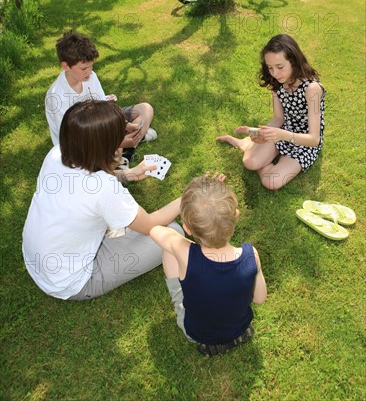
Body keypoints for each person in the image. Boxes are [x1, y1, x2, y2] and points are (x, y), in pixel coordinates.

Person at [22, 100, 182, 301]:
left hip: (39, 263)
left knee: (117, 219)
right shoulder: (104, 188)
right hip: (72, 282)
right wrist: (186, 198)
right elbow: (149, 225)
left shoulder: (57, 154)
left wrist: (128, 174)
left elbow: (83, 183)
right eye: (119, 138)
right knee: (172, 232)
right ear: (110, 148)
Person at [150, 174, 267, 357]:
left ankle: (180, 302)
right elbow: (259, 298)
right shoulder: (251, 255)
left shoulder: (185, 252)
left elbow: (155, 230)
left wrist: (180, 237)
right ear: (236, 216)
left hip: (197, 334)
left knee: (169, 250)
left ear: (188, 229)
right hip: (239, 327)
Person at [216, 34, 326, 190]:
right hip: (282, 132)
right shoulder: (278, 83)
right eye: (270, 68)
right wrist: (259, 133)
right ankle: (246, 143)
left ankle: (248, 146)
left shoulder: (312, 89)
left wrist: (281, 135)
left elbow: (314, 139)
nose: (274, 73)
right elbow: (278, 118)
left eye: (280, 67)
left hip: (304, 142)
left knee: (271, 182)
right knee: (250, 163)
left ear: (293, 61)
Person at [45, 30, 157, 154]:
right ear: (65, 66)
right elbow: (72, 138)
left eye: (91, 66)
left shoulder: (90, 76)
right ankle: (125, 148)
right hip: (81, 141)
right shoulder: (56, 96)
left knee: (145, 109)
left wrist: (124, 124)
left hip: (100, 124)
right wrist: (118, 141)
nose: (89, 71)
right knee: (112, 151)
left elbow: (104, 107)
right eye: (84, 68)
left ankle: (124, 146)